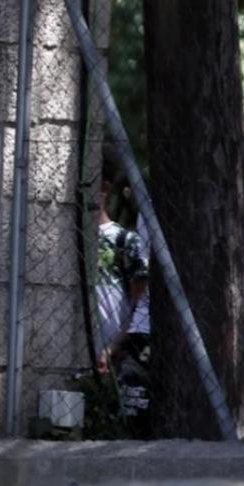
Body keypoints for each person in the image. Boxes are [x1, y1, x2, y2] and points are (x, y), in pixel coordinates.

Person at [94, 153, 154, 437]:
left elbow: (136, 300)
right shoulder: (75, 239)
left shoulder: (124, 241)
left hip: (117, 345)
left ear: (105, 187)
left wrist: (116, 343)